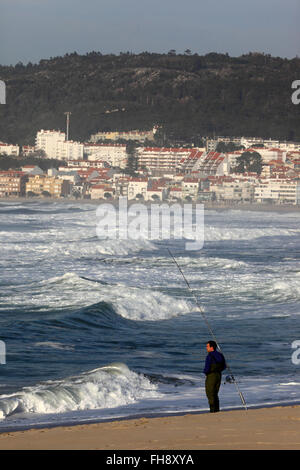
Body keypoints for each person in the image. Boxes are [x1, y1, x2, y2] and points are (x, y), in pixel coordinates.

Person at [203, 340, 226, 413]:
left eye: (207, 346)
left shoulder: (209, 356)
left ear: (211, 347)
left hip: (211, 375)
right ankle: (217, 409)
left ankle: (212, 410)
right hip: (219, 375)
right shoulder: (220, 355)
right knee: (215, 393)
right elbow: (224, 366)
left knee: (210, 393)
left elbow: (207, 368)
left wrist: (205, 373)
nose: (206, 348)